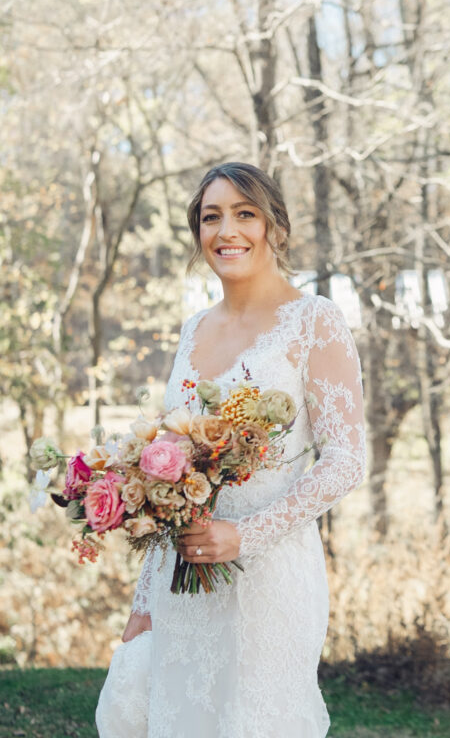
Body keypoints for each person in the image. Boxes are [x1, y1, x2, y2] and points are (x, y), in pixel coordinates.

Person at [95, 161, 366, 738]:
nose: (227, 231)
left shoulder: (314, 321)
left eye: (245, 214)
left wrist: (244, 535)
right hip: (180, 578)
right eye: (211, 217)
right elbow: (166, 474)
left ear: (276, 228)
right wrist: (142, 604)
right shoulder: (194, 329)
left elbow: (345, 460)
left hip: (269, 575)